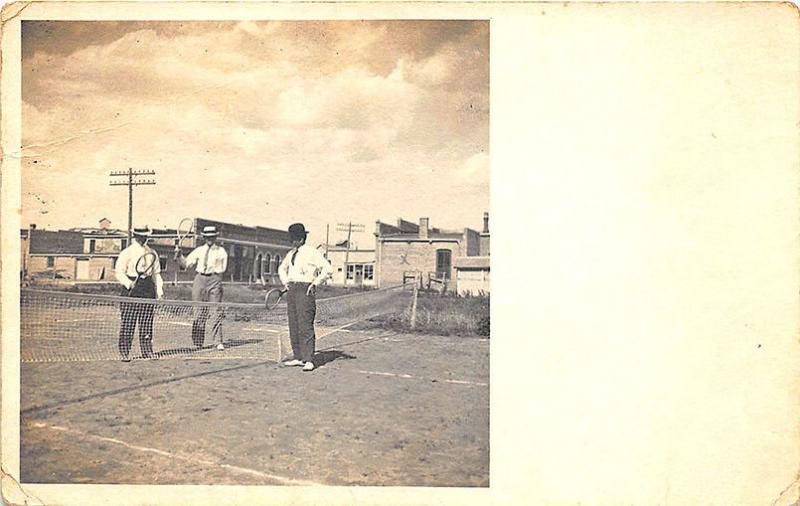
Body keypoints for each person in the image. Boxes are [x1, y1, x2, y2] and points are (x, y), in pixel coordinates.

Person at [278, 223, 333, 371]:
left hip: (305, 290)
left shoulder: (311, 252)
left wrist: (315, 283)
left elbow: (327, 269)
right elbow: (282, 269)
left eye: (295, 239)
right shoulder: (291, 254)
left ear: (302, 238)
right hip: (292, 290)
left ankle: (309, 359)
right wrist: (286, 283)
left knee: (305, 325)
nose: (293, 242)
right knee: (293, 324)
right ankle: (298, 357)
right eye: (291, 239)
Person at [114, 226, 164, 361]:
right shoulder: (127, 252)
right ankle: (125, 352)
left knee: (146, 322)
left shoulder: (152, 252)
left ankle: (147, 351)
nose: (143, 238)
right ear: (135, 235)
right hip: (131, 288)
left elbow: (156, 274)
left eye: (145, 235)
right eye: (141, 235)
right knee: (128, 322)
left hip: (147, 288)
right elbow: (119, 272)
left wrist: (159, 291)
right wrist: (128, 283)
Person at [174, 225, 228, 350]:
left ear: (215, 237)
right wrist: (179, 256)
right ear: (204, 237)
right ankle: (198, 342)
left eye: (212, 237)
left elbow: (223, 269)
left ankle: (218, 341)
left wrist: (216, 280)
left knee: (215, 312)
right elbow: (186, 264)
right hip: (199, 279)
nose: (210, 239)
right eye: (207, 237)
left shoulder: (221, 251)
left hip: (215, 279)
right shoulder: (199, 250)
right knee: (198, 311)